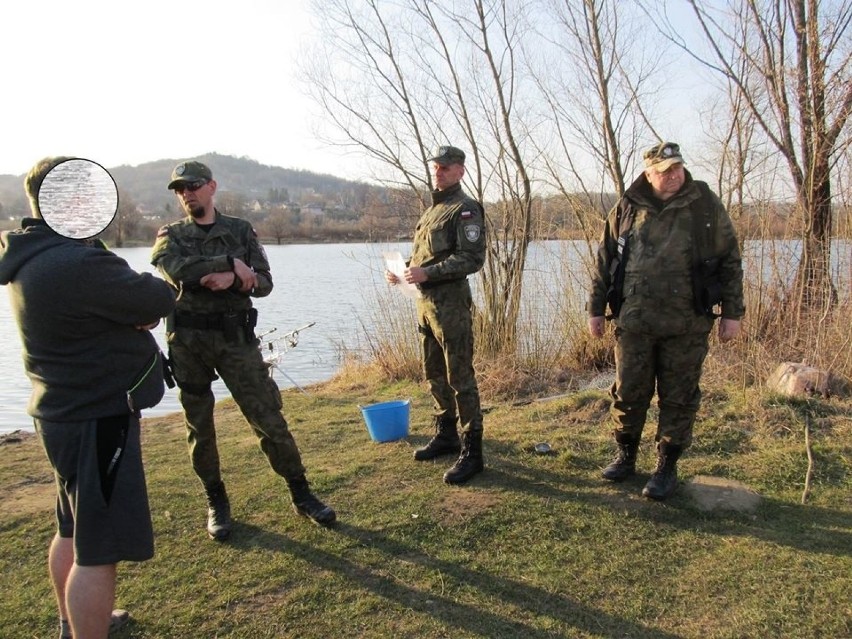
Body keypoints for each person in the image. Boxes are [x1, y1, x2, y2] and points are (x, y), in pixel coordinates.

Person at [0, 157, 176, 639]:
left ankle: (70, 622)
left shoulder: (30, 256)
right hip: (96, 417)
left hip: (59, 412)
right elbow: (158, 298)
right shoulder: (76, 261)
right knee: (99, 550)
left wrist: (122, 313)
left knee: (72, 528)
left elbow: (115, 307)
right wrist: (133, 311)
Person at [151, 160, 335, 540]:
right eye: (180, 189)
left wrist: (234, 279)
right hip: (189, 345)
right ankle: (216, 500)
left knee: (268, 417)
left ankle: (301, 492)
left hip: (236, 341)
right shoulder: (170, 234)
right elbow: (175, 270)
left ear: (212, 187)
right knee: (199, 427)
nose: (187, 194)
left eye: (194, 186)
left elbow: (264, 283)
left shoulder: (240, 229)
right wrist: (228, 262)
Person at [587, 141, 744, 500]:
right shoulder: (627, 207)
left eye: (677, 168)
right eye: (664, 171)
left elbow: (730, 261)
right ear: (648, 174)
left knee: (679, 397)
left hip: (687, 323)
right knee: (629, 393)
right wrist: (595, 309)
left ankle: (666, 467)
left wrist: (732, 314)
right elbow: (605, 260)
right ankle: (626, 455)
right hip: (635, 322)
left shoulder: (704, 206)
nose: (674, 175)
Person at [385, 145, 487, 484]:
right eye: (436, 167)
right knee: (434, 374)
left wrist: (428, 273)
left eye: (445, 167)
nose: (438, 172)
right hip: (425, 305)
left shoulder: (465, 208)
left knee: (460, 377)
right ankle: (446, 434)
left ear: (460, 171)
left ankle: (472, 451)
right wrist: (402, 274)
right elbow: (423, 259)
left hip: (452, 306)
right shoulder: (432, 210)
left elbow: (472, 259)